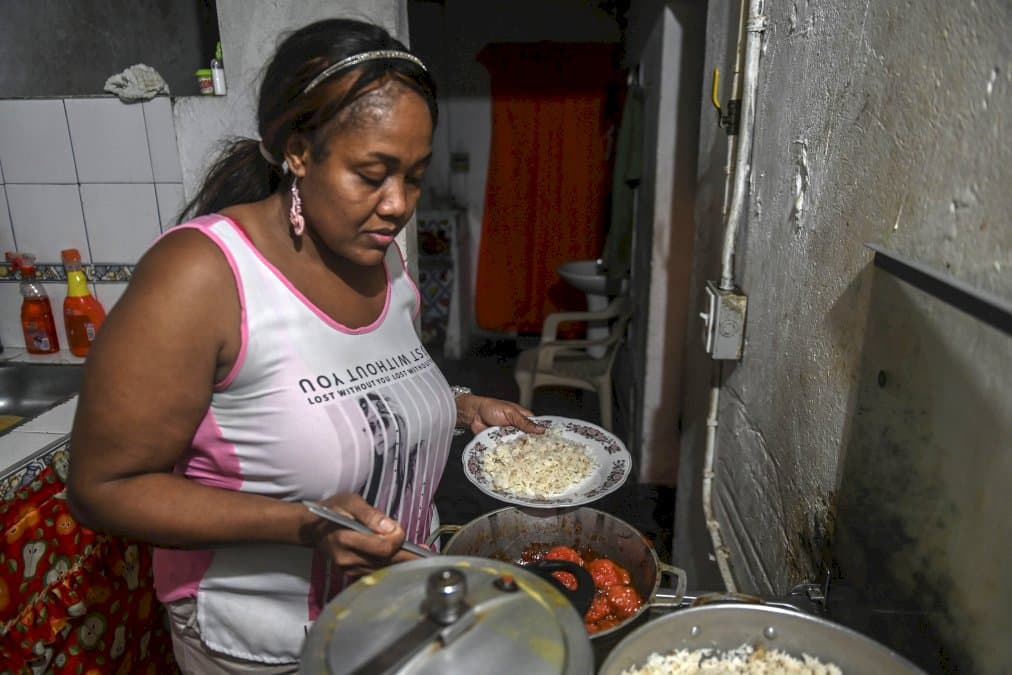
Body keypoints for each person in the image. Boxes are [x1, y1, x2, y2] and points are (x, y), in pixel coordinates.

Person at [66, 17, 543, 674]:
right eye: (372, 173)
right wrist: (305, 524)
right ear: (297, 151)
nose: (398, 204)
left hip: (394, 616)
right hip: (265, 642)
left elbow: (355, 382)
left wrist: (458, 406)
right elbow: (102, 486)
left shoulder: (382, 260)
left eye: (414, 174)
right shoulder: (202, 276)